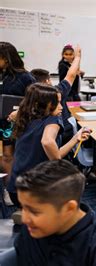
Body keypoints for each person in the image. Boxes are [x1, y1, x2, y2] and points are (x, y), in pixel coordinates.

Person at [14, 159, 96, 265]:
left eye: (34, 212)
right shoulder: (30, 230)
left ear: (69, 208)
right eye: (23, 207)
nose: (24, 218)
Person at [8, 84, 91, 217]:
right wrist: (60, 165)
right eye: (57, 103)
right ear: (43, 104)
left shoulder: (25, 116)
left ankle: (28, 214)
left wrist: (76, 138)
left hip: (15, 188)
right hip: (36, 190)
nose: (61, 107)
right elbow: (47, 142)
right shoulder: (53, 119)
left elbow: (52, 150)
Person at [0, 42, 36, 206]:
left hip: (18, 123)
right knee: (6, 156)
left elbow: (35, 101)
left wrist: (19, 113)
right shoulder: (2, 75)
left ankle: (14, 188)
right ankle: (8, 187)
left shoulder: (25, 77)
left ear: (6, 59)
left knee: (16, 156)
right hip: (2, 122)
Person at [28, 45, 82, 144]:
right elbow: (71, 75)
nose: (60, 107)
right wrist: (78, 57)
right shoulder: (55, 92)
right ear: (48, 81)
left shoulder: (31, 98)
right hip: (63, 135)